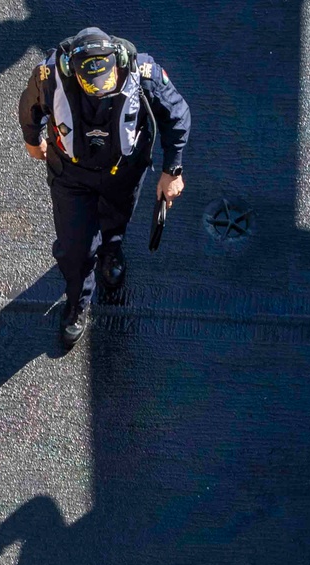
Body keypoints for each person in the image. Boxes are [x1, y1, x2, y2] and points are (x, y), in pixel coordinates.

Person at [18, 27, 191, 347]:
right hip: (70, 177)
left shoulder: (143, 72)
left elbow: (176, 115)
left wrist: (173, 170)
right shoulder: (49, 75)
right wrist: (33, 140)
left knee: (116, 224)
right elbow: (30, 105)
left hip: (124, 171)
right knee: (75, 248)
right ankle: (77, 304)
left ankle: (111, 253)